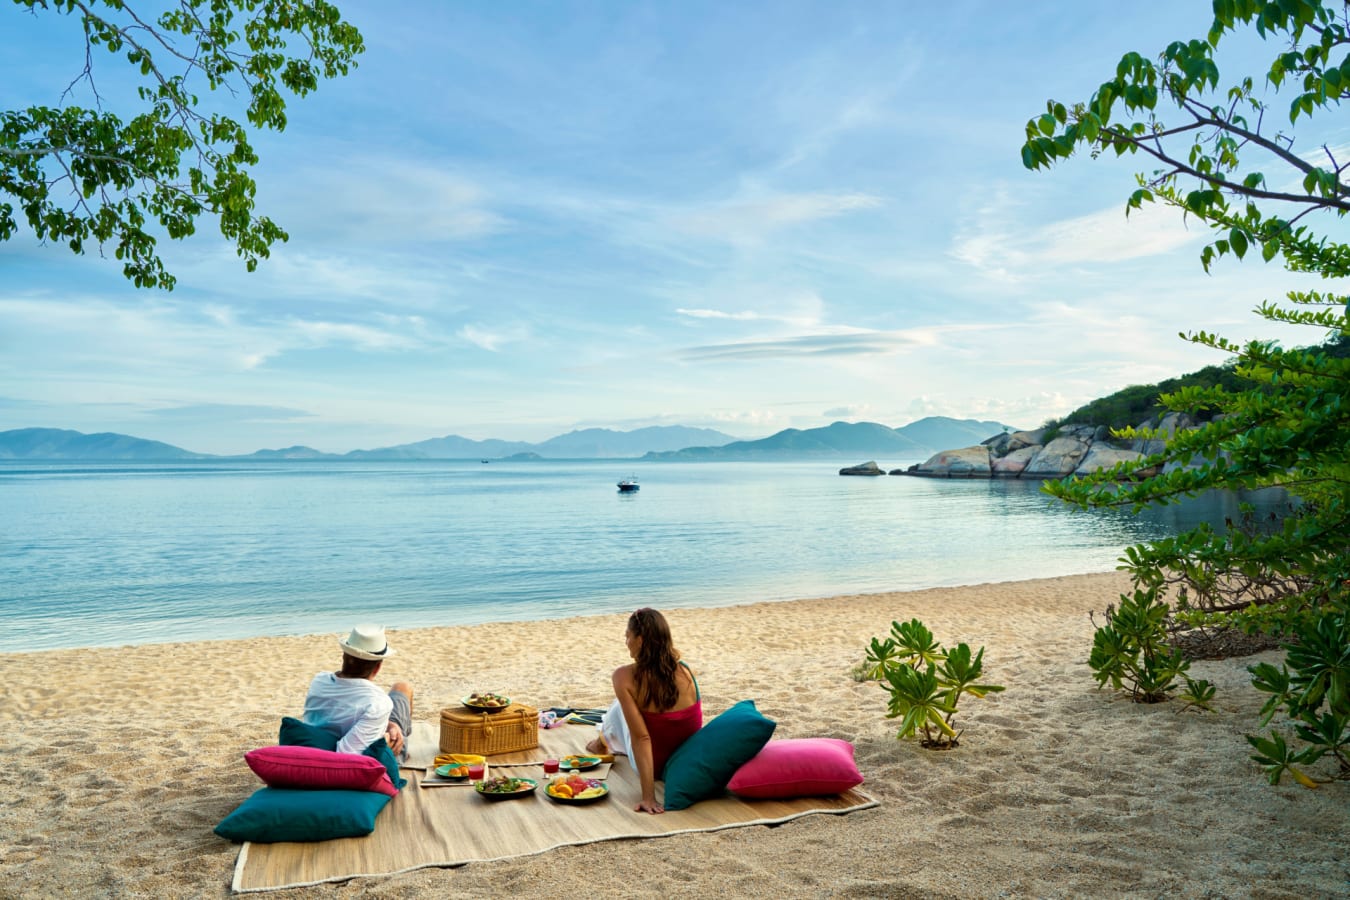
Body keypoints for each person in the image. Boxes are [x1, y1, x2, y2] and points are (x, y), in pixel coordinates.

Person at [587, 608, 701, 814]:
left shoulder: (624, 676)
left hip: (654, 767)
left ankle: (600, 742)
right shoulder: (685, 670)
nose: (626, 642)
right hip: (683, 762)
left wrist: (648, 797)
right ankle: (602, 740)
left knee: (621, 704)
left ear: (639, 640)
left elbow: (642, 739)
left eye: (627, 637)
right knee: (627, 703)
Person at [303, 624, 414, 759]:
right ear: (378, 667)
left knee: (399, 691)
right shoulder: (378, 703)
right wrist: (385, 739)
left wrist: (389, 724)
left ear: (344, 655)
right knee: (403, 688)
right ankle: (403, 751)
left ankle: (397, 735)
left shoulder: (319, 680)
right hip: (360, 759)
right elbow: (347, 756)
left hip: (319, 745)